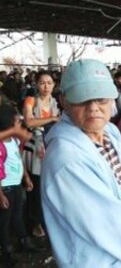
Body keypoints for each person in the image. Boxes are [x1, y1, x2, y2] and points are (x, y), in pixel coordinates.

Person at [41, 59, 121, 267]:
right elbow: (110, 225)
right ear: (64, 101)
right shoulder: (66, 160)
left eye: (100, 99)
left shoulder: (110, 132)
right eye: (82, 100)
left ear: (113, 98)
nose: (93, 108)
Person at [0, 105, 40, 267]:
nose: (20, 124)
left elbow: (18, 160)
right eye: (17, 122)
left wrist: (26, 177)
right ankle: (6, 251)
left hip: (16, 184)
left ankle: (25, 242)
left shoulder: (14, 141)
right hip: (5, 187)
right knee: (4, 221)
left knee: (17, 215)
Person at [22, 70, 60, 238]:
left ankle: (47, 217)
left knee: (49, 184)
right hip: (35, 147)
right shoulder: (30, 101)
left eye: (49, 83)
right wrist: (51, 119)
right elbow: (29, 121)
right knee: (36, 185)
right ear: (36, 84)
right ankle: (34, 221)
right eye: (42, 83)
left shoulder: (54, 101)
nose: (46, 86)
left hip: (50, 144)